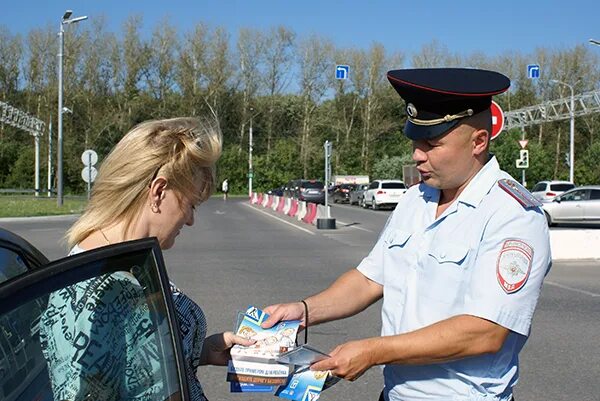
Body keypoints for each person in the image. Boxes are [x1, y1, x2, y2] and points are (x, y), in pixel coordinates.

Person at [262, 68, 552, 401]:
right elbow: (370, 280)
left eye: (431, 143)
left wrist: (373, 351)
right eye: (415, 141)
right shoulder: (416, 199)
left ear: (478, 142)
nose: (417, 155)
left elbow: (484, 332)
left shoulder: (512, 213)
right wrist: (303, 310)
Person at [39, 117, 254, 401]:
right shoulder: (90, 295)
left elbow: (135, 363)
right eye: (190, 205)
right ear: (158, 192)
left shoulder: (130, 259)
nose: (190, 220)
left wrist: (201, 350)